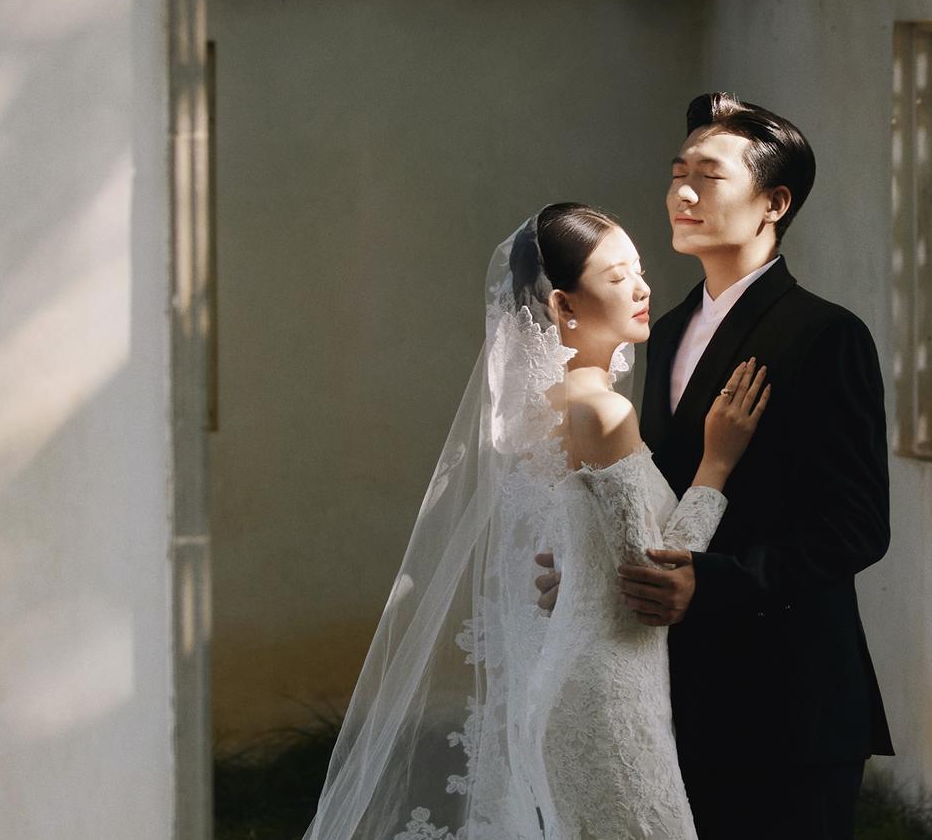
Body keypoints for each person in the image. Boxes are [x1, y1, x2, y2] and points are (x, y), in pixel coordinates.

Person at [299, 203, 770, 840]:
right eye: (616, 277)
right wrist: (717, 462)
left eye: (638, 269)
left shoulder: (549, 407)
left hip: (583, 682)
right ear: (562, 305)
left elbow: (587, 548)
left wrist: (579, 573)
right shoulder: (602, 412)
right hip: (608, 696)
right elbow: (652, 576)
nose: (642, 288)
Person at [538, 93, 896, 840]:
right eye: (678, 174)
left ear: (774, 203)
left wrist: (715, 580)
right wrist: (592, 566)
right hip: (674, 696)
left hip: (788, 703)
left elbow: (859, 525)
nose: (683, 194)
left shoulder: (827, 334)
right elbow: (654, 500)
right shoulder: (664, 330)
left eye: (708, 176)